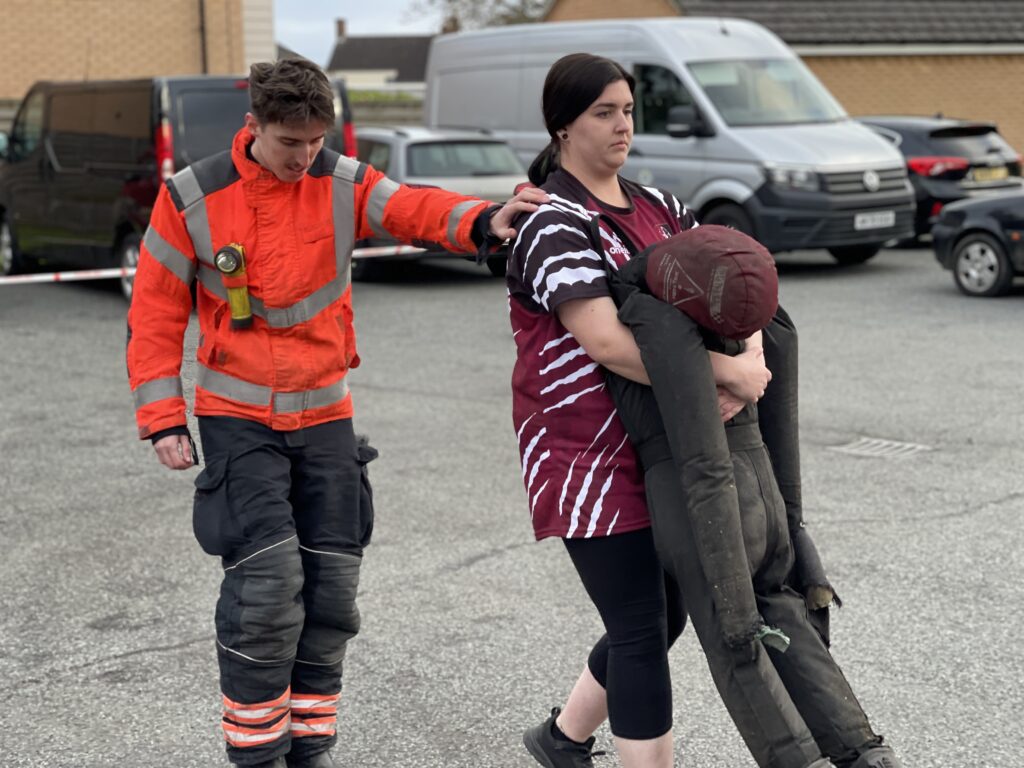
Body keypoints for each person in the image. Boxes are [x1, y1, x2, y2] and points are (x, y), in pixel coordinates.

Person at [126, 58, 545, 768]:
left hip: (324, 420)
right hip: (237, 417)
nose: (304, 157)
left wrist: (484, 220)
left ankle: (311, 746)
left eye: (315, 142)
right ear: (253, 126)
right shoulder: (193, 196)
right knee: (266, 587)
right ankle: (258, 752)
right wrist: (163, 416)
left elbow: (416, 208)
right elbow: (157, 311)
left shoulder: (341, 181)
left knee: (331, 592)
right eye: (290, 143)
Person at [506, 53, 770, 768]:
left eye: (627, 109)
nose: (623, 124)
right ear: (562, 126)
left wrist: (751, 355)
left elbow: (724, 294)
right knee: (639, 624)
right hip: (584, 453)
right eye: (603, 112)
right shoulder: (551, 221)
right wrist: (732, 373)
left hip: (665, 440)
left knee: (670, 610)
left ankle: (562, 738)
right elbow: (604, 341)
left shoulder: (664, 208)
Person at [597, 222, 904, 768]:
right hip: (760, 481)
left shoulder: (654, 318)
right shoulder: (746, 324)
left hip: (702, 500)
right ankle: (866, 753)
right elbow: (776, 386)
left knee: (736, 637)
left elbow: (702, 464)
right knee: (783, 609)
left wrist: (732, 606)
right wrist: (794, 517)